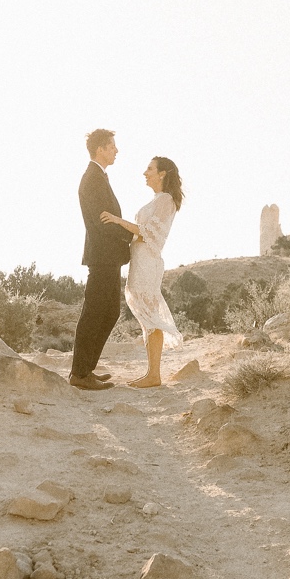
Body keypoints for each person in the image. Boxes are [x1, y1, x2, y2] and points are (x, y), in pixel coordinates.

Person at [101, 156, 183, 388]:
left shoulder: (166, 200)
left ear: (162, 174)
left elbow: (148, 233)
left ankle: (154, 375)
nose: (144, 173)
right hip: (139, 262)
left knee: (151, 316)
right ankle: (151, 373)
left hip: (148, 263)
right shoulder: (158, 199)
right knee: (147, 318)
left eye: (149, 169)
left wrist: (117, 221)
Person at [70, 129, 130, 390]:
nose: (116, 150)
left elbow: (109, 219)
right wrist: (132, 235)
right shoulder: (92, 178)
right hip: (102, 256)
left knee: (109, 312)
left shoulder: (100, 177)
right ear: (100, 150)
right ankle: (79, 374)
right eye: (112, 146)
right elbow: (101, 222)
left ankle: (87, 369)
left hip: (110, 256)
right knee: (94, 313)